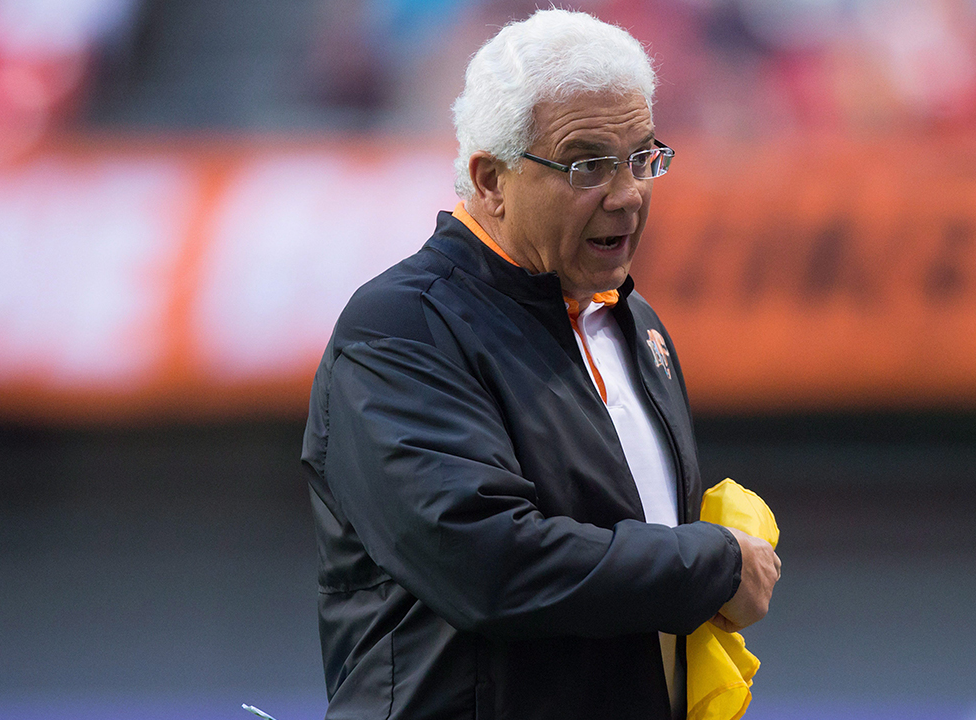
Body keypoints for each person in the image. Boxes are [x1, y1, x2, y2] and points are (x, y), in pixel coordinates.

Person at [300, 9, 781, 720]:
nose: (627, 193)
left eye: (642, 158)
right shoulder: (401, 328)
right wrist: (714, 564)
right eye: (588, 165)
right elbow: (488, 564)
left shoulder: (636, 324)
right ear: (490, 180)